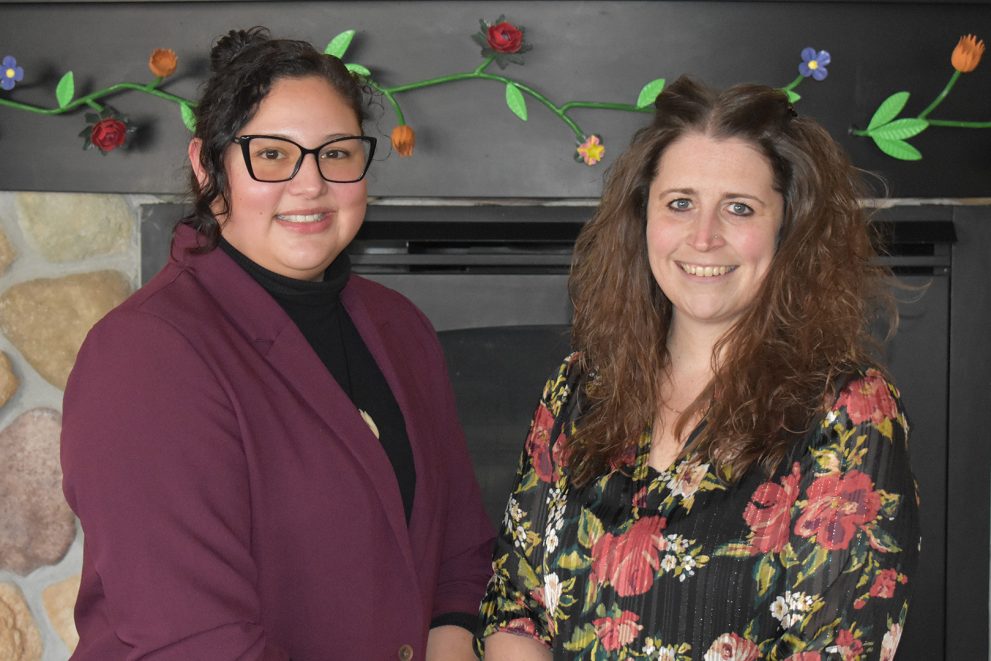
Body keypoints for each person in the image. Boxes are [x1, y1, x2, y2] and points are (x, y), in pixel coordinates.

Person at [61, 27, 493, 660]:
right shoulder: (142, 357)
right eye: (271, 155)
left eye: (337, 153)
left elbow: (458, 551)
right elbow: (195, 643)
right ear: (208, 167)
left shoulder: (401, 327)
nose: (310, 184)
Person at [478, 77, 920, 660]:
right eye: (680, 203)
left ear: (789, 229)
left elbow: (837, 647)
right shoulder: (581, 384)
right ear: (643, 218)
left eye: (739, 208)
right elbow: (516, 607)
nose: (703, 237)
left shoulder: (850, 410)